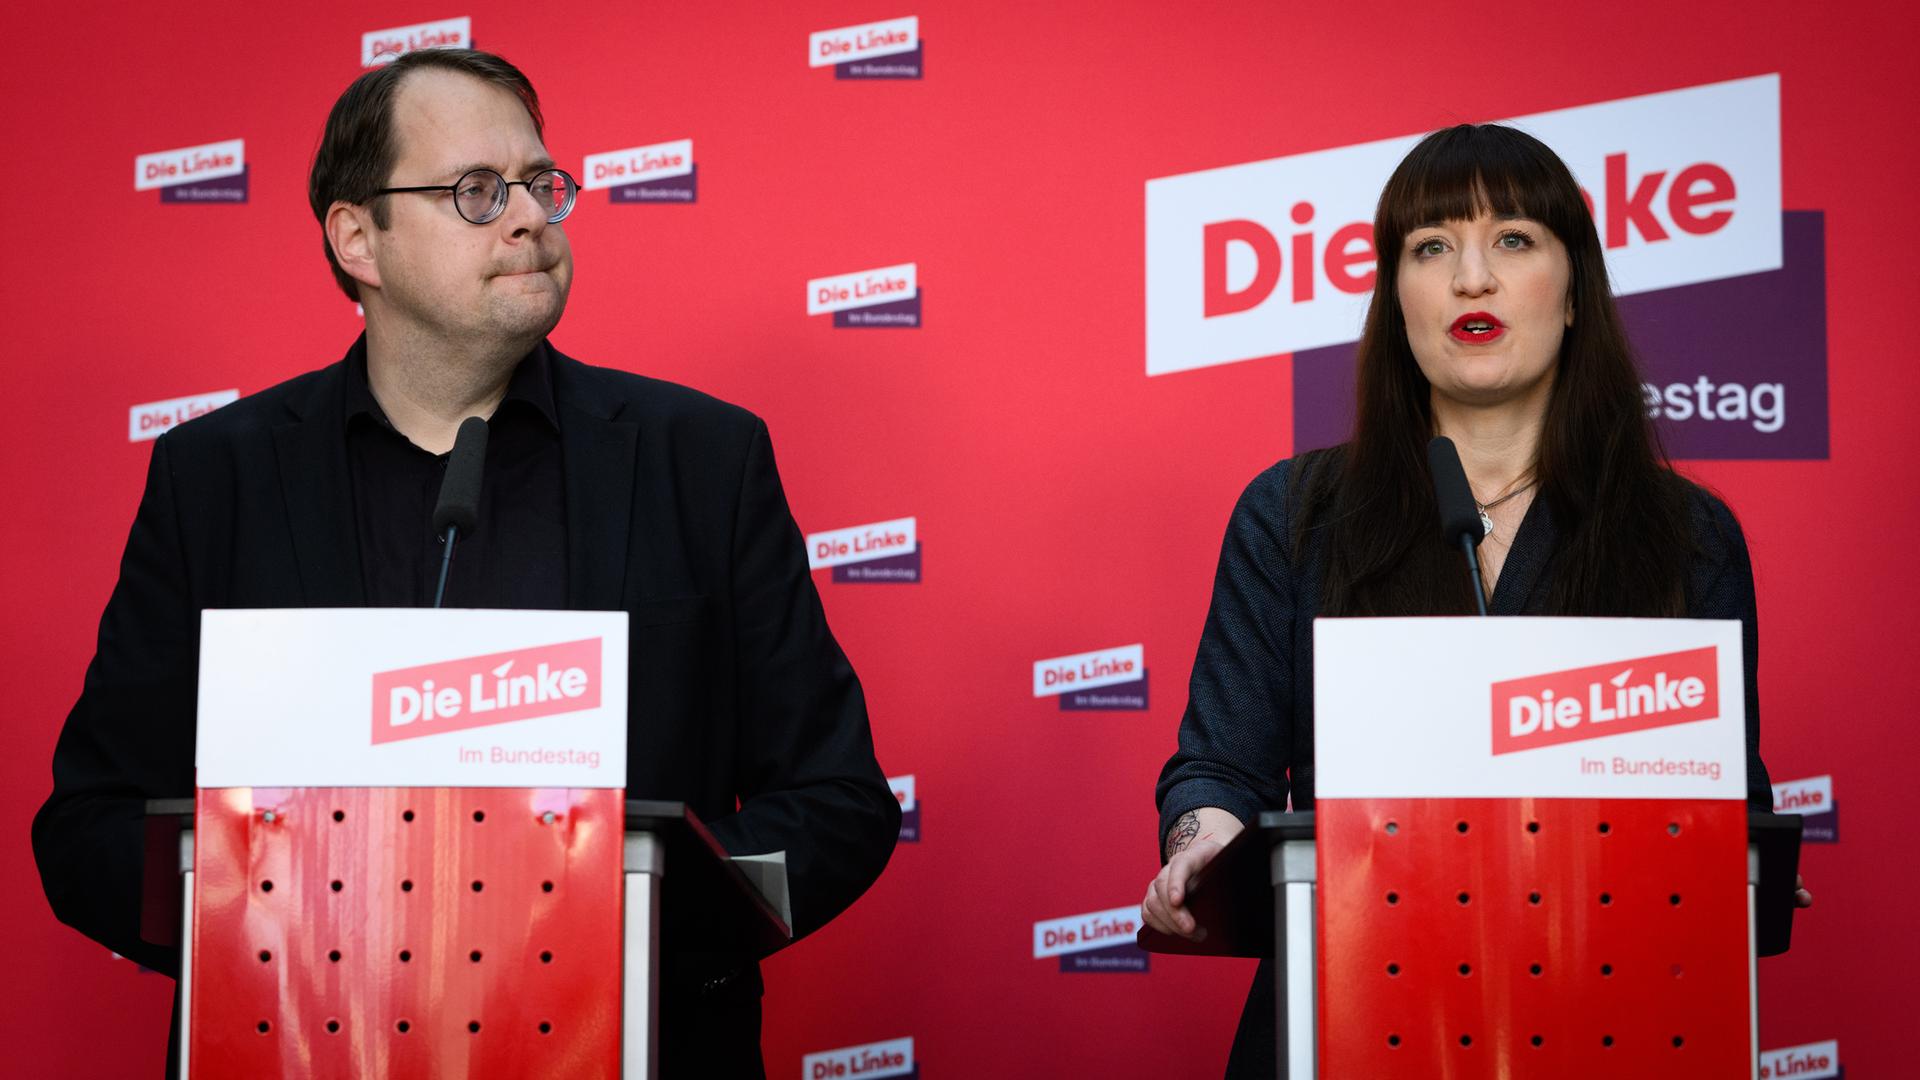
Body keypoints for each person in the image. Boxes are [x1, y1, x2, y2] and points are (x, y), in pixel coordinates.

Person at [32, 48, 898, 1077]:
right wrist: (256, 913)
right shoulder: (216, 477)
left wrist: (635, 909)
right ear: (359, 237)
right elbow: (88, 828)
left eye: (541, 184)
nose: (530, 216)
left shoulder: (701, 460)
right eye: (477, 193)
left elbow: (838, 801)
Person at [1142, 123, 1807, 1078]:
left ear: (1575, 290)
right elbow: (1220, 771)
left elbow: (1725, 793)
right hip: (1340, 1009)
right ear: (1396, 297)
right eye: (1432, 247)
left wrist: (1751, 863)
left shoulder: (1685, 534)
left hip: (1616, 1018)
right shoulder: (1294, 515)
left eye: (1513, 241)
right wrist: (1199, 844)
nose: (1471, 280)